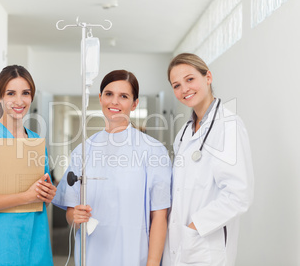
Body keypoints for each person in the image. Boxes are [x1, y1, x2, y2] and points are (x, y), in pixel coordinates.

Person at [52, 70, 172, 266]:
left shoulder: (153, 150)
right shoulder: (84, 150)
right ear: (100, 98)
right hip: (92, 254)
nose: (114, 102)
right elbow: (71, 212)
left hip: (135, 255)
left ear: (134, 104)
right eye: (109, 94)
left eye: (123, 96)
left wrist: (152, 263)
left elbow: (159, 215)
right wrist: (75, 216)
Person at [162, 53, 254, 266]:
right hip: (179, 244)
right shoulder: (184, 133)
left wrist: (195, 227)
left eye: (190, 79)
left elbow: (239, 195)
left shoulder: (229, 125)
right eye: (176, 85)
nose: (184, 89)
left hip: (205, 246)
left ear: (208, 77)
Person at [0, 65, 57, 266]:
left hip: (34, 243)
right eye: (11, 93)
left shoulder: (36, 142)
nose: (19, 101)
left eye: (26, 93)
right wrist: (27, 196)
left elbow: (41, 197)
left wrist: (47, 195)